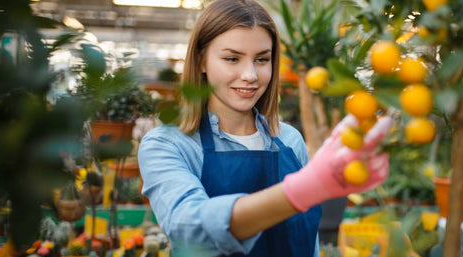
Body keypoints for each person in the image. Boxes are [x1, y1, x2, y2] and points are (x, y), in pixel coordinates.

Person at [138, 0, 394, 256]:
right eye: (232, 58)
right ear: (201, 61)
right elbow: (189, 227)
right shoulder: (168, 144)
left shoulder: (290, 141)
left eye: (262, 59)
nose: (250, 74)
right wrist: (299, 191)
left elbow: (307, 242)